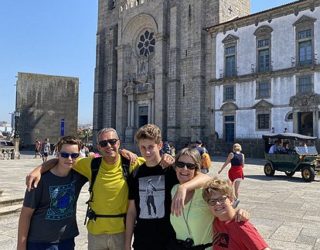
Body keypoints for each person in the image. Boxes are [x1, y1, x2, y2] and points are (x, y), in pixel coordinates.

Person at [26, 128, 174, 250]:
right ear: (98, 147)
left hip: (120, 232)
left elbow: (159, 163)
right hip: (96, 233)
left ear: (119, 143)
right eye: (104, 143)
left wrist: (167, 158)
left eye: (112, 141)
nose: (108, 146)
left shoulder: (133, 163)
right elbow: (65, 159)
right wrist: (38, 170)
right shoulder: (91, 164)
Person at [125, 124, 211, 250]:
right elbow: (132, 212)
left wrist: (183, 187)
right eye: (143, 147)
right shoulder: (136, 174)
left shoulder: (172, 170)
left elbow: (206, 178)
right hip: (142, 241)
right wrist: (126, 245)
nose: (147, 151)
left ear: (160, 145)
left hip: (169, 241)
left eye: (151, 147)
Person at [169, 148, 249, 250]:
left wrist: (240, 212)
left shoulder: (205, 191)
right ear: (176, 167)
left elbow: (225, 207)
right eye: (180, 164)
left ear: (196, 169)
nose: (184, 169)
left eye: (190, 166)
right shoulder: (173, 190)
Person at [17, 136, 87, 250]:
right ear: (58, 153)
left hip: (67, 240)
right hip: (39, 242)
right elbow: (26, 214)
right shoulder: (39, 180)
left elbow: (100, 161)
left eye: (74, 155)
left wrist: (124, 154)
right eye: (64, 154)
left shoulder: (79, 175)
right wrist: (21, 246)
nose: (69, 158)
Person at [202, 177, 270, 250]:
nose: (217, 203)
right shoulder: (216, 222)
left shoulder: (241, 225)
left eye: (221, 199)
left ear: (231, 199)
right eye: (212, 201)